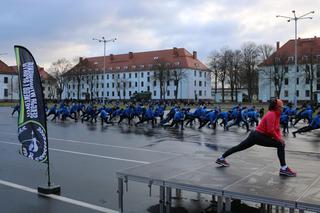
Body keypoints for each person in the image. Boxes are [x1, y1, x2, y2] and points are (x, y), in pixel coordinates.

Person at [215, 98, 297, 177]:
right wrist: (279, 139)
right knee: (280, 144)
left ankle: (221, 158)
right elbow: (270, 130)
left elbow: (277, 129)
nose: (282, 108)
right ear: (276, 107)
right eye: (281, 107)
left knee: (239, 147)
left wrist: (279, 138)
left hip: (258, 136)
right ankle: (284, 168)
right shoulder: (271, 114)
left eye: (282, 107)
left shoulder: (277, 115)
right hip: (258, 136)